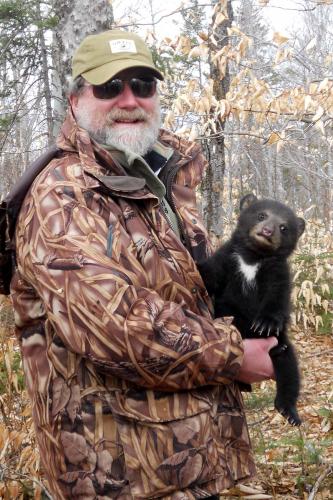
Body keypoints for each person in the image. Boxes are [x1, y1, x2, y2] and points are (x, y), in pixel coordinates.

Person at [11, 29, 277, 499]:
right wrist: (234, 356)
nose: (129, 99)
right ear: (75, 100)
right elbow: (117, 328)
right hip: (115, 476)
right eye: (109, 87)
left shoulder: (157, 176)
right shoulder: (62, 195)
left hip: (185, 460)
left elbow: (186, 286)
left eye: (143, 85)